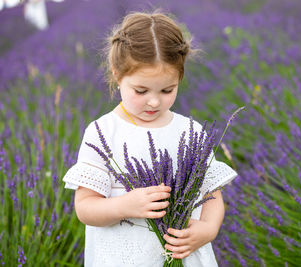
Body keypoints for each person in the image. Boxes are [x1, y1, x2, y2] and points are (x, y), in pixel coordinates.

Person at [62, 10, 238, 267]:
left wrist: (208, 230)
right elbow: (85, 207)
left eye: (168, 89)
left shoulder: (190, 132)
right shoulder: (103, 133)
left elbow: (212, 194)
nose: (154, 101)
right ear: (117, 75)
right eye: (141, 90)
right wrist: (124, 205)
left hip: (184, 256)